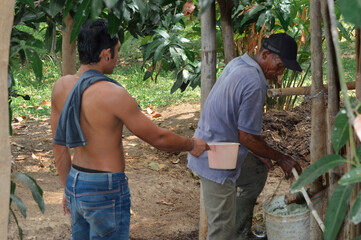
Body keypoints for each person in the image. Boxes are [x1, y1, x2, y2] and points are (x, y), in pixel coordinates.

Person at [50, 19, 209, 240]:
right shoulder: (113, 94)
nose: (118, 58)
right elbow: (159, 139)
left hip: (77, 181)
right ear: (106, 54)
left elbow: (59, 145)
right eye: (117, 51)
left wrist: (68, 188)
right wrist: (192, 144)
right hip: (106, 189)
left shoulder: (60, 87)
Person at [187, 33, 303, 240]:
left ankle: (239, 231)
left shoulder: (240, 63)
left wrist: (259, 152)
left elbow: (236, 125)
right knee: (221, 229)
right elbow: (247, 137)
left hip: (216, 145)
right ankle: (230, 229)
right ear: (265, 54)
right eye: (279, 67)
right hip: (215, 157)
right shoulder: (253, 81)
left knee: (256, 172)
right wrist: (283, 158)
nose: (279, 75)